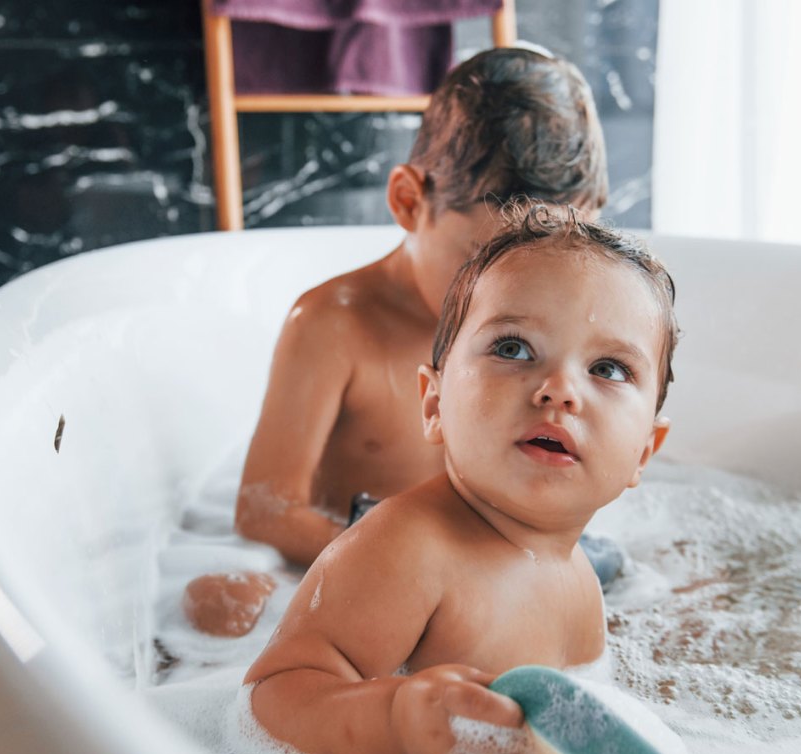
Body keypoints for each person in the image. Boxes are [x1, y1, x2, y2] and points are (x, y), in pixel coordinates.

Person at [243, 202, 677, 754]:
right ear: (433, 405)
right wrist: (395, 720)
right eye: (513, 348)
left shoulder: (580, 587)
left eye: (608, 368)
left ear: (643, 454)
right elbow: (272, 698)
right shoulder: (408, 547)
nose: (559, 390)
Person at [234, 46, 609, 569]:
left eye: (540, 270)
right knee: (220, 604)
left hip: (503, 564)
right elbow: (266, 512)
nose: (509, 299)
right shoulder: (334, 325)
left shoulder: (556, 338)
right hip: (373, 568)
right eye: (479, 260)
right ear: (410, 202)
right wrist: (428, 566)